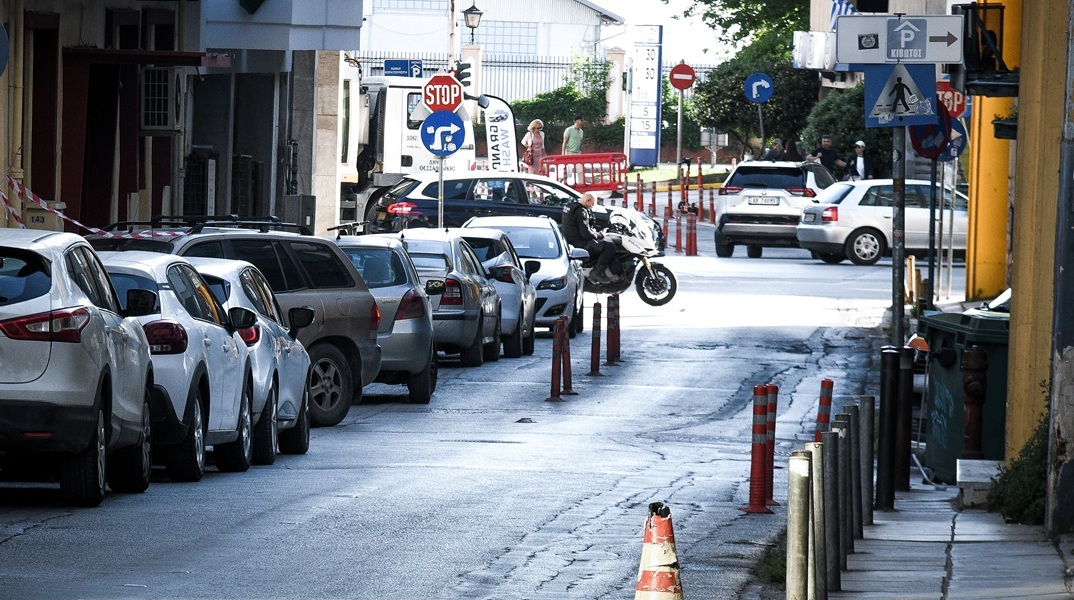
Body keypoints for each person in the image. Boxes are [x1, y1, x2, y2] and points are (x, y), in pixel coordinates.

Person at [560, 192, 616, 282]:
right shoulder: (581, 211)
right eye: (592, 203)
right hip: (579, 243)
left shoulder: (570, 206)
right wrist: (598, 235)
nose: (592, 206)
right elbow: (585, 233)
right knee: (610, 246)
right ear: (588, 200)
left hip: (568, 240)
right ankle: (597, 272)